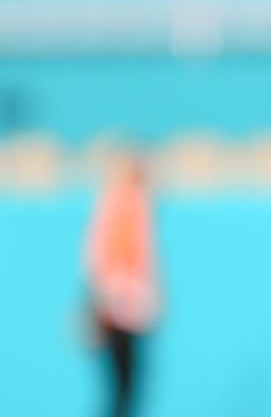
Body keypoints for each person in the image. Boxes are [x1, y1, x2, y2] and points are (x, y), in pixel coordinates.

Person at [83, 153, 161, 417]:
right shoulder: (122, 204)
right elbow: (112, 260)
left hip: (129, 311)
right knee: (122, 390)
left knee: (126, 390)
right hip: (119, 310)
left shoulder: (132, 205)